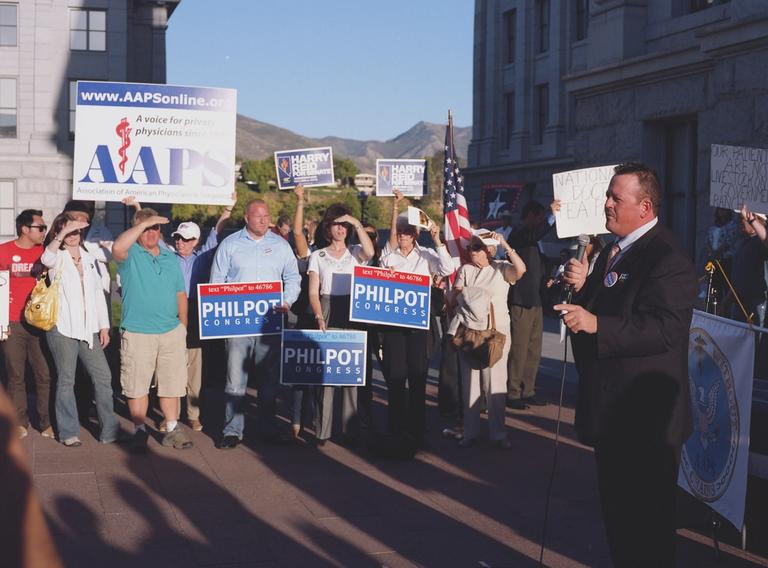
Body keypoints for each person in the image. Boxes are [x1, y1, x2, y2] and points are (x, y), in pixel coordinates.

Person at [555, 162, 697, 568]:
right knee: (619, 527)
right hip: (613, 415)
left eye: (616, 198)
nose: (606, 204)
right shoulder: (614, 251)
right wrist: (584, 291)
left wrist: (597, 322)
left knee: (647, 533)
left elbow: (665, 330)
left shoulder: (667, 257)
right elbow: (611, 306)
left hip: (645, 425)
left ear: (645, 207)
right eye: (608, 195)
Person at [210, 199, 301, 449]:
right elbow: (216, 283)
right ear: (246, 218)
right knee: (235, 380)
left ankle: (268, 428)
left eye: (266, 215)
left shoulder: (280, 245)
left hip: (269, 323)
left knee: (269, 381)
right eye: (258, 216)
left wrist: (287, 301)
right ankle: (232, 431)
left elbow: (293, 277)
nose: (263, 220)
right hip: (237, 325)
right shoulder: (230, 245)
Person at [112, 208, 192, 453]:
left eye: (155, 228)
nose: (151, 233)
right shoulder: (130, 254)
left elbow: (180, 293)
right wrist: (144, 223)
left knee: (172, 384)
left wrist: (183, 326)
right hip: (138, 332)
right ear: (137, 230)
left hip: (171, 331)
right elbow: (117, 247)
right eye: (146, 228)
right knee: (137, 384)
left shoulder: (169, 257)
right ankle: (139, 430)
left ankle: (171, 428)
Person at [378, 190, 453, 447]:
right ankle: (396, 427)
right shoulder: (388, 257)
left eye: (407, 233)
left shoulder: (427, 255)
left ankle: (417, 430)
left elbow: (447, 269)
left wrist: (438, 241)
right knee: (396, 378)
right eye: (400, 233)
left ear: (415, 235)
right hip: (395, 328)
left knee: (418, 377)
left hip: (419, 327)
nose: (402, 237)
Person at [41, 214, 120, 447]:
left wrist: (104, 325)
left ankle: (109, 430)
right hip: (63, 327)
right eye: (68, 231)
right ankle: (68, 432)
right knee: (66, 379)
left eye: (77, 231)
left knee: (103, 377)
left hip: (89, 329)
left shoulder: (88, 258)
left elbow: (97, 293)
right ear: (59, 233)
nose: (74, 235)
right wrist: (63, 234)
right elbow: (46, 259)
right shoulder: (57, 256)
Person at [448, 234, 526, 448]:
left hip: (496, 333)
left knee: (495, 384)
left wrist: (504, 244)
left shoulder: (501, 268)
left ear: (489, 250)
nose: (472, 250)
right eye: (471, 246)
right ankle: (470, 433)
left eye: (478, 246)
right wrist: (455, 294)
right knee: (471, 384)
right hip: (469, 333)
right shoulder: (465, 270)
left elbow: (521, 270)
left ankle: (498, 434)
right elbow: (452, 299)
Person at [307, 204, 374, 447]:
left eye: (344, 225)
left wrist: (356, 222)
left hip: (353, 310)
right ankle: (322, 432)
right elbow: (313, 291)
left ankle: (350, 430)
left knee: (351, 373)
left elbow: (371, 251)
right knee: (326, 374)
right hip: (327, 308)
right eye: (337, 224)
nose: (341, 229)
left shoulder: (356, 252)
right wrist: (318, 315)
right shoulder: (318, 255)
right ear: (328, 227)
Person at [171, 194, 234, 432]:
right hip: (173, 310)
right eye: (178, 238)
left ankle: (193, 413)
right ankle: (172, 414)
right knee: (172, 364)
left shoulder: (205, 254)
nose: (180, 243)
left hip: (196, 310)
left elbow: (216, 233)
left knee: (195, 365)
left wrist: (227, 211)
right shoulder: (168, 257)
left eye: (186, 239)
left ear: (195, 240)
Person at [0, 210, 54, 439]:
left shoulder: (45, 254)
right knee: (15, 375)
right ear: (25, 229)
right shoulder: (3, 252)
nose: (44, 231)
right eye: (40, 228)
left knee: (44, 375)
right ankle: (19, 421)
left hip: (40, 323)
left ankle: (44, 422)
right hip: (12, 323)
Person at [506, 201, 553, 409]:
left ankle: (528, 389)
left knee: (534, 349)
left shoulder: (535, 239)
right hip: (521, 300)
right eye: (540, 217)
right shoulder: (519, 234)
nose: (542, 222)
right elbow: (533, 235)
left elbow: (539, 266)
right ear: (530, 217)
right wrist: (553, 216)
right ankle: (512, 392)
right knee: (519, 348)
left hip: (536, 300)